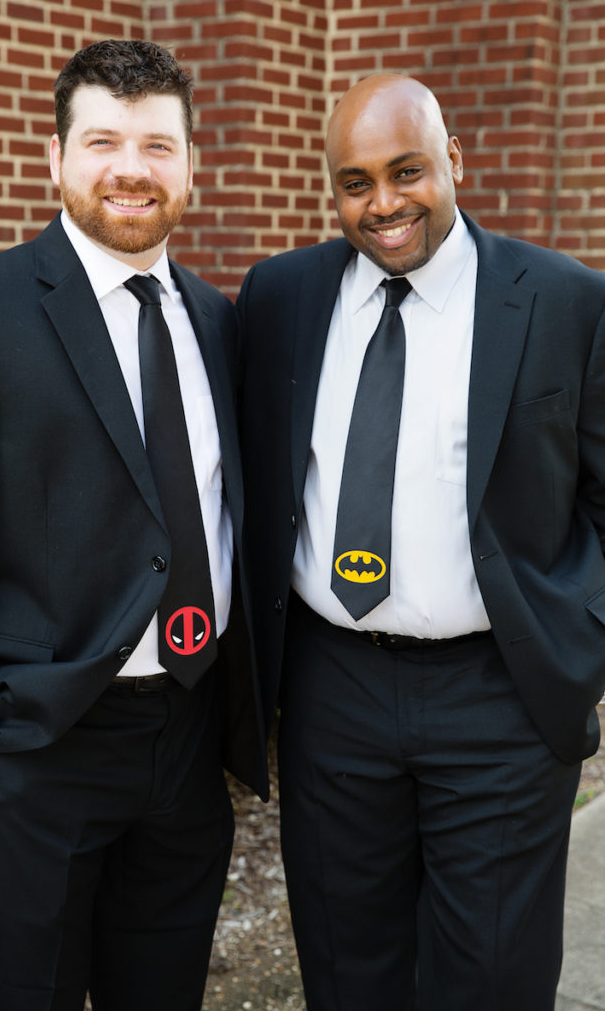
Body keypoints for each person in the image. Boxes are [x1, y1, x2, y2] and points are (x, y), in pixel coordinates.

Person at [237, 73, 605, 1011]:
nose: (383, 202)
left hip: (500, 695)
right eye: (354, 182)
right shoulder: (280, 298)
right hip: (333, 692)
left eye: (406, 170)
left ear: (453, 162)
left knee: (489, 979)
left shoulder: (565, 302)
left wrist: (580, 637)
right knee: (344, 965)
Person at [0, 39, 267, 1011]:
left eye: (158, 145)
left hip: (188, 743)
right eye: (103, 140)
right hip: (38, 749)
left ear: (190, 164)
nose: (130, 167)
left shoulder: (215, 318)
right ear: (56, 158)